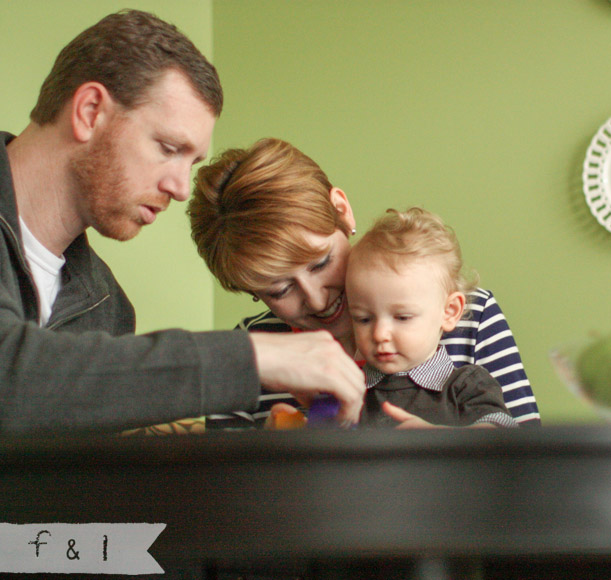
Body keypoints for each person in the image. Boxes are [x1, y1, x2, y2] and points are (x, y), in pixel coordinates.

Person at [0, 10, 364, 433]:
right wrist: (250, 358)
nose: (181, 188)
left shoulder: (107, 308)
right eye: (169, 147)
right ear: (90, 111)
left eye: (192, 162)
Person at [188, 138, 541, 428]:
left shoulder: (471, 316)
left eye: (321, 262)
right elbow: (226, 501)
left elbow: (528, 471)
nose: (315, 299)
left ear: (342, 211)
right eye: (278, 290)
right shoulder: (247, 353)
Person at [347, 207, 518, 428]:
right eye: (363, 319)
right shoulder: (350, 388)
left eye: (402, 317)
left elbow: (503, 437)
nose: (379, 334)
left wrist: (439, 438)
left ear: (449, 312)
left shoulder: (466, 385)